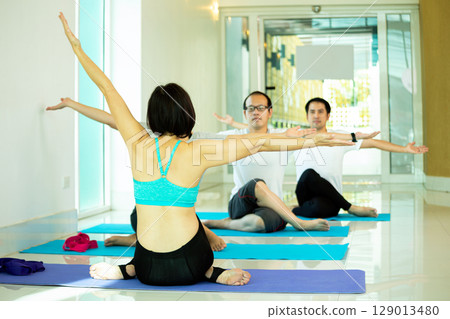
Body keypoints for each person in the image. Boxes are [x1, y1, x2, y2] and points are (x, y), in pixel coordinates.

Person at [57, 13, 352, 286]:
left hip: (148, 268)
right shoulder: (198, 151)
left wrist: (78, 49)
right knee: (194, 224)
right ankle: (213, 272)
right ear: (188, 115)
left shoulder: (136, 141)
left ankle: (127, 268)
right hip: (188, 266)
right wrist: (315, 139)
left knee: (151, 219)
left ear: (152, 116)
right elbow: (262, 142)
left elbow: (108, 90)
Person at [47, 97, 227, 251]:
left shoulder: (202, 141)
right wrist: (71, 104)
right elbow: (110, 119)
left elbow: (244, 139)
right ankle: (142, 237)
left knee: (181, 223)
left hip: (181, 214)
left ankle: (136, 238)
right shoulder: (147, 134)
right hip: (145, 214)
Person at [216, 97, 429, 219]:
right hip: (304, 190)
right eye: (311, 112)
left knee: (320, 210)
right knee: (309, 175)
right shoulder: (300, 137)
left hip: (330, 199)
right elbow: (262, 134)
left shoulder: (337, 136)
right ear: (307, 116)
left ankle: (294, 210)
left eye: (320, 111)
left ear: (328, 115)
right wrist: (235, 124)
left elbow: (373, 142)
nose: (316, 115)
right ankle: (350, 207)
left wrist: (405, 149)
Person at [204, 91, 375, 233]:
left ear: (269, 112)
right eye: (251, 108)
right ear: (244, 113)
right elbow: (202, 141)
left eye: (261, 108)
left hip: (271, 206)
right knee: (257, 184)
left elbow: (318, 136)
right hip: (240, 202)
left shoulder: (284, 135)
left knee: (259, 225)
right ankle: (298, 223)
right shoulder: (233, 136)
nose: (256, 112)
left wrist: (352, 136)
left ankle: (223, 224)